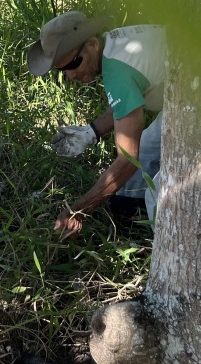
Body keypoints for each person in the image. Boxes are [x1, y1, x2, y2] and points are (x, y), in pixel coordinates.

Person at [27, 12, 166, 240]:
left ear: (91, 44)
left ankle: (168, 255)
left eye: (74, 63)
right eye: (63, 69)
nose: (71, 75)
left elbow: (127, 161)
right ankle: (130, 233)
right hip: (186, 96)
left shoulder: (118, 71)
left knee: (160, 196)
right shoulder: (116, 44)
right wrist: (90, 133)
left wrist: (78, 211)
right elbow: (128, 102)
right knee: (144, 158)